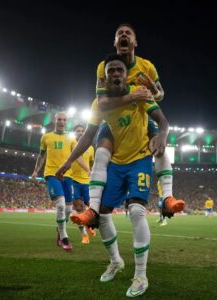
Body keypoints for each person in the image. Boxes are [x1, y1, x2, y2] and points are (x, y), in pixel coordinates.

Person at [57, 54, 169, 297]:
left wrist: (162, 133)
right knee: (102, 216)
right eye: (111, 72)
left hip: (139, 158)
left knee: (137, 211)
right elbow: (88, 136)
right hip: (116, 164)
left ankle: (140, 275)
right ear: (104, 78)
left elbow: (162, 118)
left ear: (125, 74)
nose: (116, 74)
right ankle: (116, 261)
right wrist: (67, 162)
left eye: (119, 70)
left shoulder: (140, 92)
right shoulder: (99, 105)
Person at [70, 23, 185, 227]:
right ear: (115, 42)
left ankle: (167, 197)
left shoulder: (147, 66)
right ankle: (93, 209)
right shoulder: (102, 67)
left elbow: (160, 95)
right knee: (101, 150)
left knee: (157, 142)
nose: (123, 35)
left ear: (134, 42)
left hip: (140, 116)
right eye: (119, 33)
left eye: (128, 33)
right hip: (112, 118)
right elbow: (102, 103)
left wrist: (153, 91)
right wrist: (133, 96)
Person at [31, 112, 90, 251]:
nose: (62, 122)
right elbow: (41, 156)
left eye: (64, 120)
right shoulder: (46, 137)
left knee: (69, 208)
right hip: (52, 174)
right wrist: (35, 171)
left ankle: (59, 231)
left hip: (67, 176)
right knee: (61, 205)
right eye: (59, 119)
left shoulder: (71, 139)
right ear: (55, 120)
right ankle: (64, 237)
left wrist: (88, 169)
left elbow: (78, 156)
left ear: (66, 122)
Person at [70, 124, 96, 244]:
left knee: (90, 208)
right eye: (78, 131)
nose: (80, 133)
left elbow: (92, 164)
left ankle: (89, 227)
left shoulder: (90, 148)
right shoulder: (70, 145)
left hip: (87, 182)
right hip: (74, 181)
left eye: (82, 131)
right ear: (74, 133)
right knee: (79, 208)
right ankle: (84, 235)